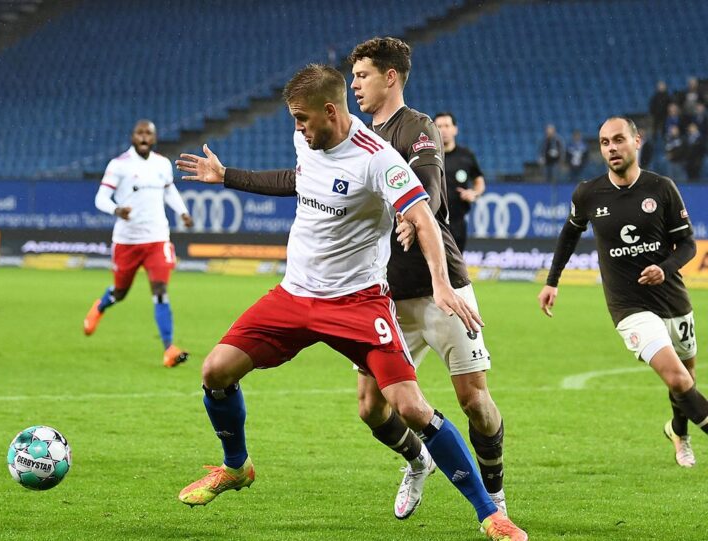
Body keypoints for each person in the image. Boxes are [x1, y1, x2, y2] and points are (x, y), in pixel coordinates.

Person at [175, 64, 527, 541]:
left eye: (301, 118)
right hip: (294, 295)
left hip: (358, 303)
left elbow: (422, 216)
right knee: (215, 372)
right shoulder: (308, 140)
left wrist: (442, 283)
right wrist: (228, 176)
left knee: (412, 408)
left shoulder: (377, 159)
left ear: (329, 110)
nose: (296, 129)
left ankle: (491, 515)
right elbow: (300, 180)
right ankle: (236, 467)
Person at [348, 37, 510, 523]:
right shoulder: (354, 138)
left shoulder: (417, 127)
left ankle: (495, 492)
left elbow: (433, 192)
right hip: (385, 298)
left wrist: (411, 214)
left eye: (362, 75)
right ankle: (418, 460)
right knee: (369, 408)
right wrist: (229, 175)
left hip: (443, 289)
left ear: (390, 77)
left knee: (473, 399)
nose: (354, 84)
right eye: (353, 76)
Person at [538, 116, 707, 469]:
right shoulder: (588, 193)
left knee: (686, 379)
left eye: (618, 140)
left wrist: (666, 268)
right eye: (604, 142)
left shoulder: (661, 188)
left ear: (636, 141)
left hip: (673, 299)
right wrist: (552, 280)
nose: (611, 148)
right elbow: (570, 234)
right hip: (628, 306)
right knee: (676, 377)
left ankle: (679, 432)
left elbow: (688, 245)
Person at [83, 119, 193, 368]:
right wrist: (116, 209)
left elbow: (169, 190)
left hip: (157, 238)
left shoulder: (162, 164)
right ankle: (100, 306)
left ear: (154, 139)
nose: (144, 137)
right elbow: (101, 198)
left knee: (160, 292)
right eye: (140, 133)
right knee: (120, 292)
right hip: (127, 241)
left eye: (149, 134)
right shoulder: (119, 165)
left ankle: (169, 349)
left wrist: (183, 212)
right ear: (133, 137)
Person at [434, 111, 486, 252]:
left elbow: (479, 180)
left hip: (457, 224)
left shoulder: (466, 156)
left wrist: (474, 193)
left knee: (455, 270)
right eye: (439, 126)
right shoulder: (428, 155)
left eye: (447, 125)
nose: (443, 130)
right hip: (432, 222)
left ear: (455, 129)